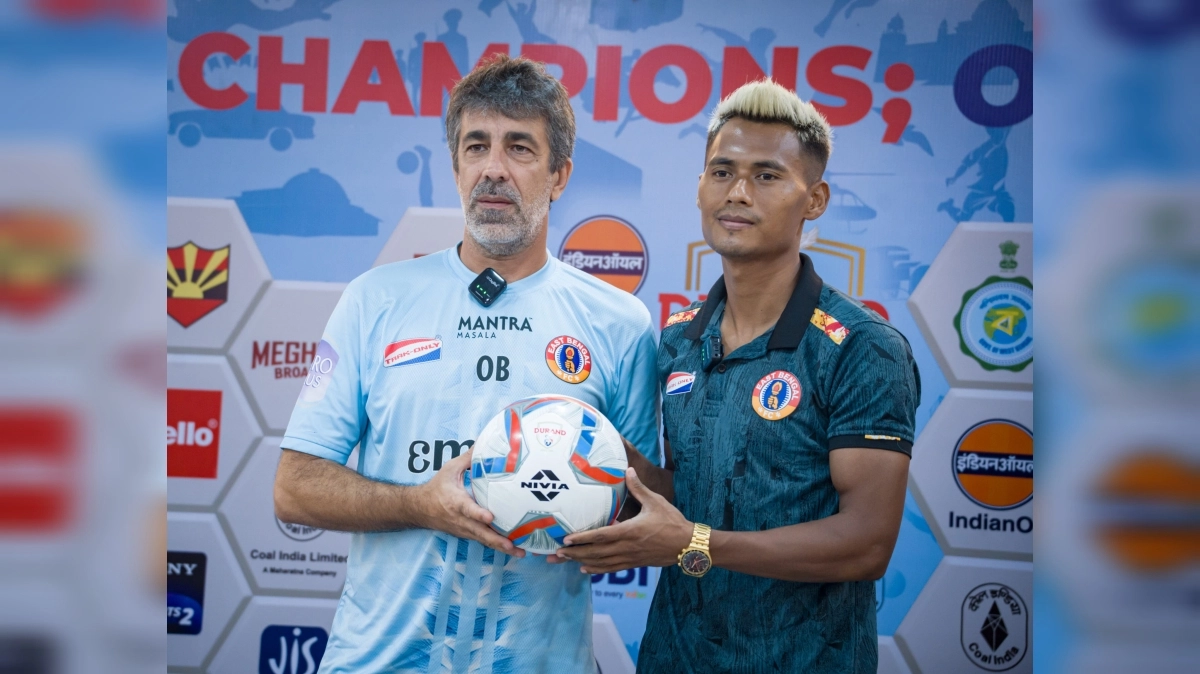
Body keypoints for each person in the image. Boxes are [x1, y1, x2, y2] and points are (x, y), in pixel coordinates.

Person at [273, 55, 660, 673]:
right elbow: (294, 489)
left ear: (560, 176)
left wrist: (587, 488)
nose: (493, 169)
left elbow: (644, 505)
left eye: (520, 148)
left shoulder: (620, 322)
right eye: (476, 146)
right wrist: (418, 504)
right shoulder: (375, 299)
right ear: (456, 167)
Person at [558, 79, 921, 673]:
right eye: (722, 171)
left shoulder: (863, 347)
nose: (738, 193)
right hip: (672, 658)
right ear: (700, 186)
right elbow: (698, 494)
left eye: (767, 175)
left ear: (815, 200)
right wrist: (618, 471)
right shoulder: (679, 338)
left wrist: (693, 545)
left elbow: (866, 543)